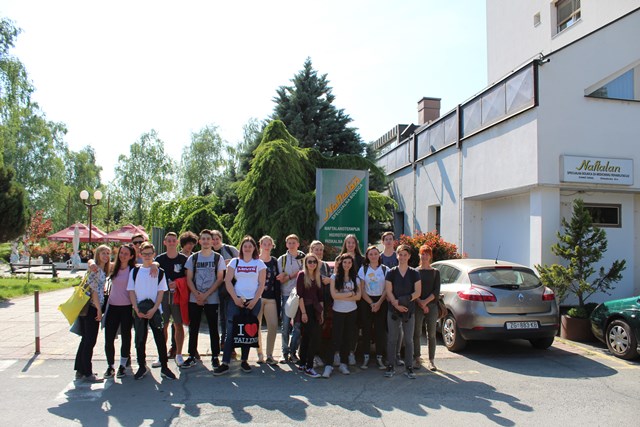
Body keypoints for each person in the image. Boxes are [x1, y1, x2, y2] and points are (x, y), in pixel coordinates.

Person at [214, 235, 266, 375]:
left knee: (248, 331)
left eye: (250, 246)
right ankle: (225, 362)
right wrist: (235, 298)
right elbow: (228, 281)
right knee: (231, 330)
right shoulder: (235, 262)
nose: (247, 248)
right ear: (241, 248)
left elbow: (261, 284)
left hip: (253, 301)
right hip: (236, 300)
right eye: (245, 246)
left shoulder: (259, 263)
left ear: (254, 248)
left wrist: (254, 300)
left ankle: (244, 361)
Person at [127, 242, 177, 380]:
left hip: (155, 310)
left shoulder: (160, 272)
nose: (147, 256)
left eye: (150, 253)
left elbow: (161, 292)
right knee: (140, 339)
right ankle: (142, 366)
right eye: (145, 254)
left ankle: (164, 367)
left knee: (160, 339)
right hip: (139, 310)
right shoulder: (135, 271)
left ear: (154, 254)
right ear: (140, 254)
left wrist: (155, 308)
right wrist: (136, 308)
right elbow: (131, 291)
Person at [182, 229, 226, 369]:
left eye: (208, 239)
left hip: (211, 298)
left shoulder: (218, 258)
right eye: (204, 239)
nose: (206, 241)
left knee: (213, 328)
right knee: (193, 327)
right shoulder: (193, 258)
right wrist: (197, 295)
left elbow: (220, 279)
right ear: (199, 241)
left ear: (212, 241)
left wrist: (205, 295)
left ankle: (215, 356)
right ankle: (191, 355)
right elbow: (189, 278)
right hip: (195, 298)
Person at [75, 244, 110, 383]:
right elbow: (94, 291)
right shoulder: (97, 270)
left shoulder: (99, 269)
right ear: (98, 255)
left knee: (85, 339)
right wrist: (99, 310)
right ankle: (87, 372)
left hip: (87, 307)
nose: (106, 256)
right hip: (92, 307)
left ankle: (80, 369)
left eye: (108, 253)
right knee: (90, 340)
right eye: (103, 253)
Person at [384, 244, 421, 379]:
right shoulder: (391, 272)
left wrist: (406, 300)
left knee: (409, 340)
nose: (403, 257)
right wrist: (396, 303)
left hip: (409, 310)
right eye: (400, 254)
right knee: (392, 339)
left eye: (405, 255)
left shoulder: (414, 273)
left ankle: (409, 367)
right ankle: (390, 365)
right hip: (393, 310)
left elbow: (418, 292)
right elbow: (388, 291)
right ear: (397, 255)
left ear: (409, 256)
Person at [154, 232, 188, 368]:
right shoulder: (159, 259)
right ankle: (161, 355)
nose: (172, 243)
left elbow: (188, 277)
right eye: (169, 241)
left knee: (178, 325)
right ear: (165, 243)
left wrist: (178, 283)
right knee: (163, 325)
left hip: (177, 295)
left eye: (174, 240)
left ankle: (178, 354)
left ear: (177, 242)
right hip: (163, 296)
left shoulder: (183, 259)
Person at [103, 244, 136, 379]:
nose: (123, 256)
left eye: (126, 254)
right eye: (121, 253)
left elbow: (152, 264)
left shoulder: (133, 270)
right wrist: (91, 263)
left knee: (126, 337)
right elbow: (97, 262)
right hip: (112, 307)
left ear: (131, 256)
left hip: (127, 307)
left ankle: (122, 365)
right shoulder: (112, 267)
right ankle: (110, 366)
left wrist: (154, 265)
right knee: (108, 338)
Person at [328, 254, 361, 377]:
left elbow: (358, 297)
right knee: (336, 338)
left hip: (351, 311)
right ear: (341, 264)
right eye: (345, 262)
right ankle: (329, 365)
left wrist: (342, 295)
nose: (347, 265)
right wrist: (350, 294)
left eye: (349, 262)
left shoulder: (356, 279)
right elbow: (334, 295)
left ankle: (343, 364)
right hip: (338, 311)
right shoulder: (334, 277)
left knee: (347, 338)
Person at [357, 246, 389, 370]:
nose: (373, 256)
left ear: (379, 255)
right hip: (367, 302)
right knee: (366, 330)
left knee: (380, 331)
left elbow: (387, 289)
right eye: (371, 254)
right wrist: (371, 303)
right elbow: (362, 289)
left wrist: (379, 303)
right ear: (367, 256)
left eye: (375, 254)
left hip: (381, 301)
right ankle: (366, 357)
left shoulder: (385, 269)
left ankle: (380, 357)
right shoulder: (363, 269)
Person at [336, 234, 364, 366]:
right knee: (339, 329)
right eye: (348, 242)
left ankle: (351, 352)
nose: (351, 245)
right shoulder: (339, 258)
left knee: (353, 328)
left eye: (353, 242)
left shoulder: (362, 259)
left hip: (357, 299)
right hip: (341, 299)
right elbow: (335, 278)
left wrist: (356, 293)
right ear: (345, 244)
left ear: (356, 244)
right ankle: (337, 353)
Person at [276, 234, 305, 363]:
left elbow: (305, 274)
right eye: (289, 243)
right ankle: (284, 352)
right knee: (286, 325)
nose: (292, 245)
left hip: (300, 295)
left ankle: (293, 352)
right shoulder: (281, 259)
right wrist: (292, 275)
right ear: (286, 245)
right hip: (286, 294)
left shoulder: (304, 258)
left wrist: (289, 276)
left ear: (298, 244)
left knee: (298, 326)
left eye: (294, 242)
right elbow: (280, 278)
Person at [295, 253, 324, 378]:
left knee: (309, 337)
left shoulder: (318, 276)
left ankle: (303, 364)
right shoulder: (302, 275)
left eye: (314, 262)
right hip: (305, 309)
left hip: (315, 309)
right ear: (306, 263)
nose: (312, 264)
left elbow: (320, 296)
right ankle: (309, 366)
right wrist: (303, 313)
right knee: (310, 337)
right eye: (309, 262)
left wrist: (321, 313)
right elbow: (299, 295)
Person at [211, 230, 239, 351]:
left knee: (229, 314)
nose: (215, 241)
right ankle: (223, 340)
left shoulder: (229, 249)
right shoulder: (209, 253)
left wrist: (230, 263)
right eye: (213, 239)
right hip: (214, 287)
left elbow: (242, 261)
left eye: (217, 239)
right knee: (220, 315)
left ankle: (228, 341)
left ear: (221, 239)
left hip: (229, 286)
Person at [414, 245, 441, 372]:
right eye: (422, 254)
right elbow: (413, 290)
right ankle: (417, 358)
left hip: (432, 306)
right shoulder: (415, 271)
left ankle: (431, 360)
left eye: (427, 254)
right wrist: (421, 303)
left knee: (432, 334)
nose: (424, 256)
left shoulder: (435, 272)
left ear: (430, 256)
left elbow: (436, 291)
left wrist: (425, 303)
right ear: (419, 255)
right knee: (416, 333)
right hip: (417, 305)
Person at [257, 235, 280, 365]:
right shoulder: (255, 260)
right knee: (256, 326)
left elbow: (278, 277)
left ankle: (269, 354)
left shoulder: (274, 261)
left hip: (271, 297)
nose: (266, 246)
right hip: (257, 298)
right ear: (260, 245)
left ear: (272, 246)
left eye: (269, 244)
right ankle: (259, 353)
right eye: (264, 244)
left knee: (273, 325)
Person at [309, 240, 332, 370]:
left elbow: (331, 281)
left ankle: (320, 354)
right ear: (311, 250)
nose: (319, 252)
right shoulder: (308, 263)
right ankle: (312, 356)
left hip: (325, 302)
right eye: (316, 249)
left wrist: (329, 280)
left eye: (321, 250)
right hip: (311, 302)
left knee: (322, 330)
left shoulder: (326, 266)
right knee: (312, 331)